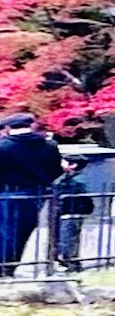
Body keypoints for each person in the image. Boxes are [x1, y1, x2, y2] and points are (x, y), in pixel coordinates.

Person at [0, 114, 62, 273]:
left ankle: (4, 266)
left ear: (7, 128)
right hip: (39, 193)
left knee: (7, 232)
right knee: (23, 232)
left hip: (11, 193)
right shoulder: (50, 146)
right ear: (31, 126)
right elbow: (56, 171)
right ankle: (9, 266)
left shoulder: (4, 147)